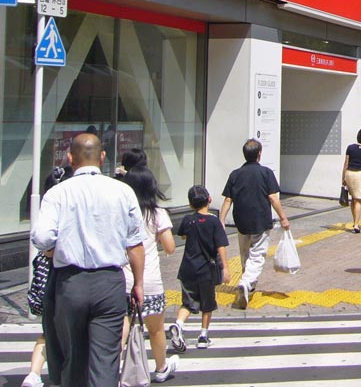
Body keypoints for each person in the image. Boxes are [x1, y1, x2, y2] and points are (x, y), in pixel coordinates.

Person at [30, 133, 145, 387]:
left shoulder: (58, 193)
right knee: (105, 359)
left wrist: (53, 248)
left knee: (73, 356)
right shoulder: (123, 191)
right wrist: (138, 283)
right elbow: (135, 243)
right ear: (102, 157)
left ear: (70, 158)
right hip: (110, 282)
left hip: (70, 283)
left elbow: (41, 237)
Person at [120, 166, 178, 380]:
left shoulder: (121, 213)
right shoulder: (157, 214)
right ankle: (161, 368)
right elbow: (170, 247)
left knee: (121, 328)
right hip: (150, 281)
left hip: (123, 280)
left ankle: (110, 370)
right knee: (156, 329)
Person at [219, 138, 290, 309]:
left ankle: (248, 287)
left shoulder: (235, 174)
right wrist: (283, 217)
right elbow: (273, 198)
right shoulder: (266, 173)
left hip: (241, 221)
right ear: (259, 154)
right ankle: (246, 282)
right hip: (260, 220)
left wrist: (221, 220)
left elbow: (228, 199)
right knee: (257, 255)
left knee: (245, 254)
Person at [22, 166, 73, 387]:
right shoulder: (70, 208)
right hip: (64, 279)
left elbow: (42, 242)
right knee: (69, 333)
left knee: (47, 332)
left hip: (45, 276)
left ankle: (33, 374)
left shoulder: (48, 209)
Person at [169, 185, 230, 351]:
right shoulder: (214, 221)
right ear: (209, 199)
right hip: (206, 270)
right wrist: (226, 268)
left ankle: (178, 324)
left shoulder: (188, 220)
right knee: (207, 304)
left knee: (188, 303)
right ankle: (203, 336)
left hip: (187, 269)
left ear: (190, 204)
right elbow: (221, 246)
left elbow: (183, 235)